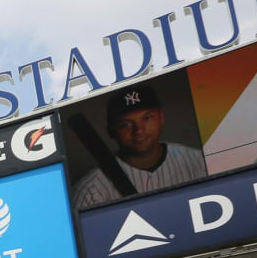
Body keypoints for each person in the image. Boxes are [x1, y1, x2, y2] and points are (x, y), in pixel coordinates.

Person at [72, 84, 207, 209]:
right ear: (111, 132)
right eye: (126, 125)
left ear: (161, 117)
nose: (139, 130)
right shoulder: (90, 191)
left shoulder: (200, 161)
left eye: (147, 118)